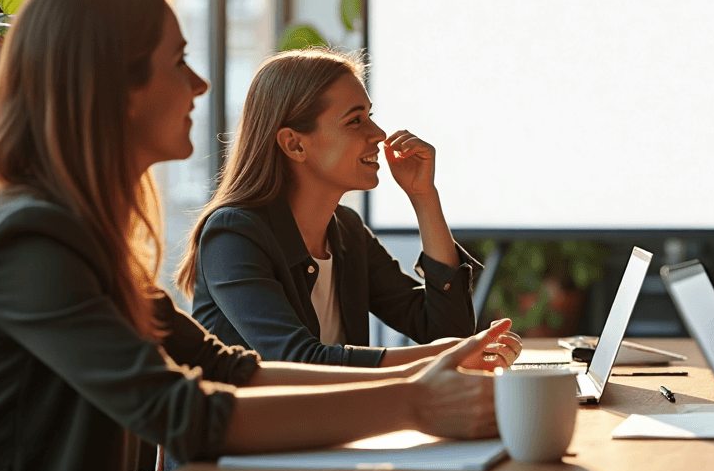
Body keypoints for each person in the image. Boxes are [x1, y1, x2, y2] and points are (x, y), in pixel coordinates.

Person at [0, 0, 509, 471]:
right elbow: (183, 413)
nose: (199, 84)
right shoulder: (27, 241)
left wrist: (429, 369)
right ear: (116, 90)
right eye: (178, 61)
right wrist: (413, 400)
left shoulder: (78, 234)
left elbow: (228, 369)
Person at [178, 48, 519, 369]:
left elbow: (445, 331)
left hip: (333, 429)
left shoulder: (347, 231)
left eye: (369, 115)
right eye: (355, 121)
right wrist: (446, 356)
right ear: (294, 144)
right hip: (255, 432)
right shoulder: (233, 235)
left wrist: (424, 197)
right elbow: (299, 361)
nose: (379, 133)